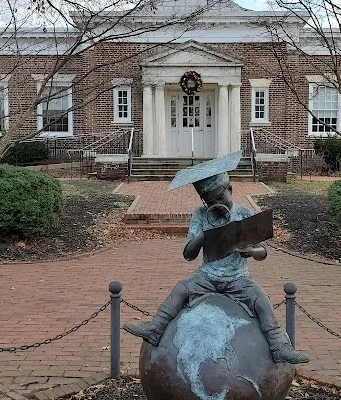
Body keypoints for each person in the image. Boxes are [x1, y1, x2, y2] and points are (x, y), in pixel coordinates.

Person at [123, 152, 309, 364]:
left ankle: (279, 347)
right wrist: (204, 235)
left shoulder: (244, 213)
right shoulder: (200, 215)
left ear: (230, 189)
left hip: (238, 277)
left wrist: (252, 252)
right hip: (207, 275)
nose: (217, 204)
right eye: (211, 202)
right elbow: (188, 254)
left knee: (261, 300)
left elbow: (263, 251)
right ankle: (156, 329)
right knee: (181, 289)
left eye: (221, 197)